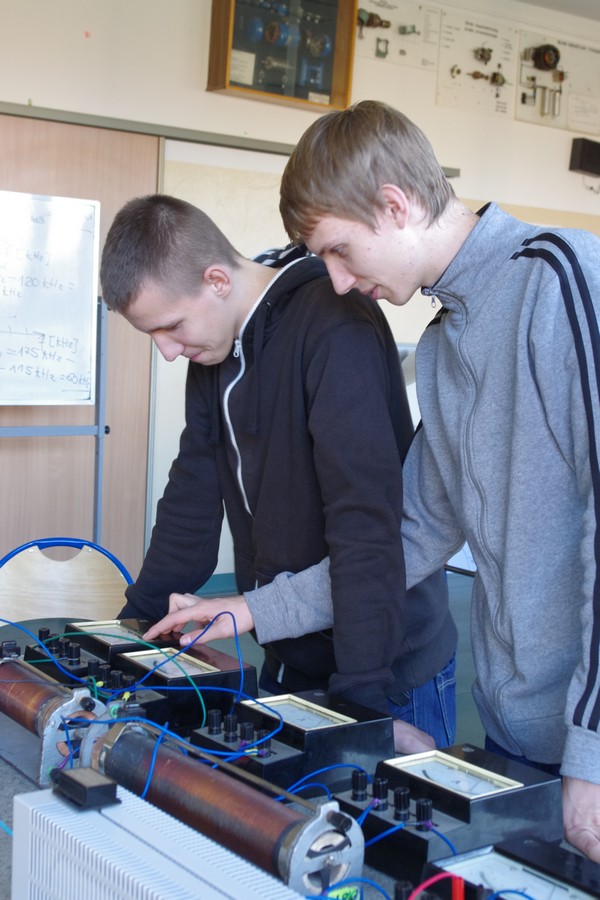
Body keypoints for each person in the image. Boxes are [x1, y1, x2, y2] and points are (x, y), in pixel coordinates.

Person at [147, 100, 600, 863]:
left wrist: (592, 749)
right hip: (520, 734)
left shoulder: (562, 279)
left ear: (395, 204)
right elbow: (406, 538)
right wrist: (249, 609)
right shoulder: (446, 343)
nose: (337, 279)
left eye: (339, 250)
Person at [100, 193, 458, 753]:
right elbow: (191, 498)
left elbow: (366, 526)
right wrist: (129, 635)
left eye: (170, 327)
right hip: (287, 652)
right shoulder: (215, 347)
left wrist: (362, 704)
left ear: (217, 280)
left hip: (383, 671)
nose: (167, 352)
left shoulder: (335, 326)